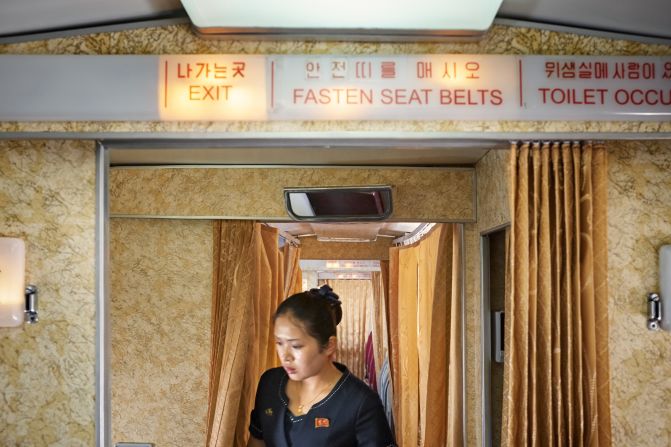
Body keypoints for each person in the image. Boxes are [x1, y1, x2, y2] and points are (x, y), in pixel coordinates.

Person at [247, 285, 396, 447]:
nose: (285, 356)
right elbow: (257, 441)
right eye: (279, 343)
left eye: (296, 346)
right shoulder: (270, 383)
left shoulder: (361, 403)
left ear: (329, 345)